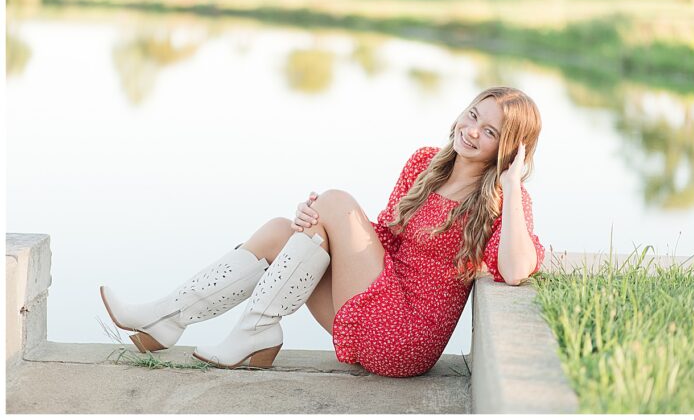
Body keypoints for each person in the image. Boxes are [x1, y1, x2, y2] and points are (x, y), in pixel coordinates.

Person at [100, 86, 544, 377]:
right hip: (375, 304)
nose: (471, 131)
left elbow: (517, 269)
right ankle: (167, 319)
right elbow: (385, 239)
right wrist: (323, 227)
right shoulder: (425, 163)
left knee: (333, 200)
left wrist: (510, 180)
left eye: (490, 132)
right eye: (472, 116)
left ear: (507, 148)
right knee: (284, 229)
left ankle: (252, 330)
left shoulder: (504, 198)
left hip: (406, 338)